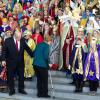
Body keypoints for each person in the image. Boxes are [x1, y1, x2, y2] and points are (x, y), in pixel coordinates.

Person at [2, 28, 33, 96]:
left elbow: (27, 49)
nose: (20, 38)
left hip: (20, 63)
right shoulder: (8, 41)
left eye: (20, 36)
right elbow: (4, 51)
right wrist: (3, 60)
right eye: (18, 37)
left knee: (21, 76)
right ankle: (11, 90)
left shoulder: (22, 40)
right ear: (14, 36)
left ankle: (21, 89)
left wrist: (34, 55)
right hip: (11, 62)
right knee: (10, 76)